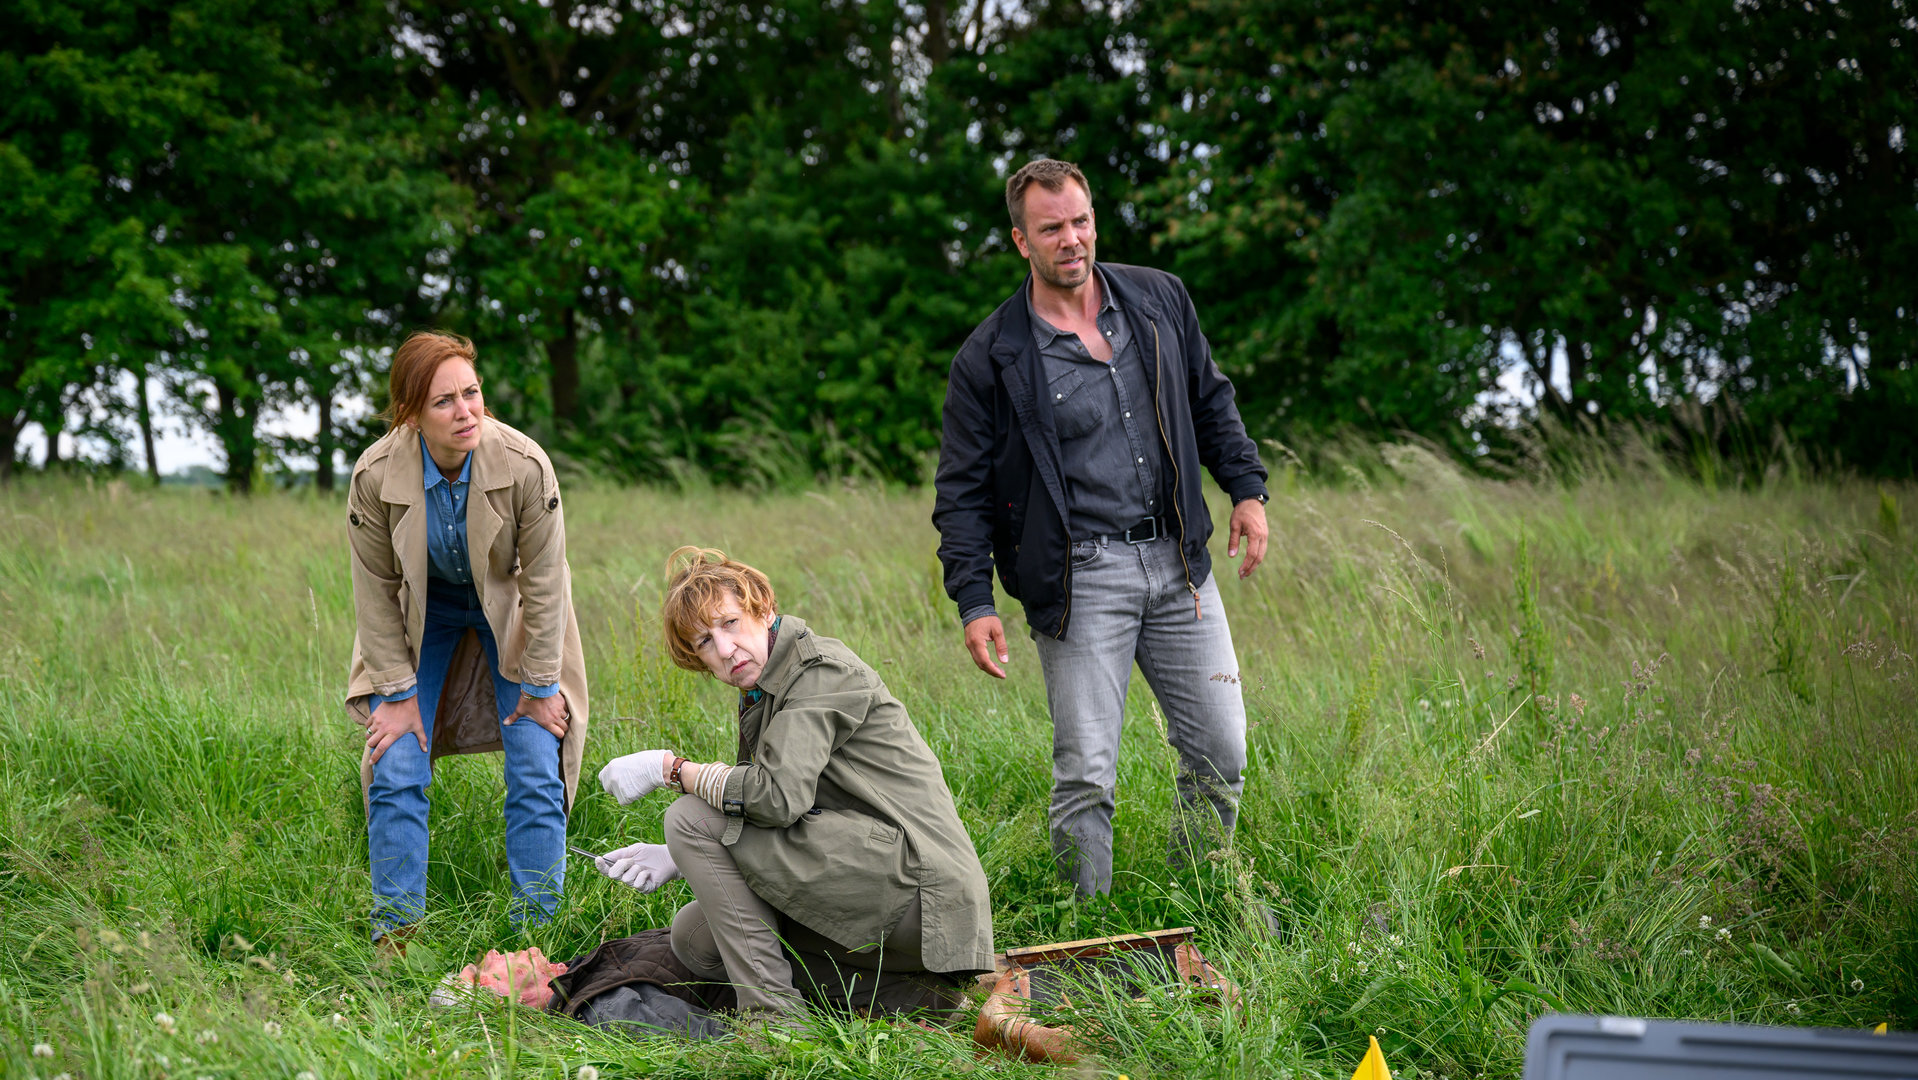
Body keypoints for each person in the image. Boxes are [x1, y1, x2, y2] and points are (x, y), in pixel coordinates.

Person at [931, 158, 1271, 897]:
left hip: (1180, 565)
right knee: (1086, 771)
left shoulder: (1158, 299)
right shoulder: (991, 359)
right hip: (1080, 578)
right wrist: (975, 601)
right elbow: (960, 492)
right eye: (1050, 228)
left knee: (1222, 751)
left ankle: (1202, 905)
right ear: (1021, 240)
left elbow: (1211, 401)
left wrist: (1246, 489)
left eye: (1080, 221)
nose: (1071, 239)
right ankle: (1086, 930)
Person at [594, 547, 993, 1021]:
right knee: (696, 941)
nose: (724, 650)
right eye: (703, 642)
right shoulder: (761, 690)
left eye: (729, 623)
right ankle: (915, 999)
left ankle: (772, 1022)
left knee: (687, 814)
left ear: (763, 609)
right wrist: (681, 858)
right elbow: (757, 814)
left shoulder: (821, 669)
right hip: (868, 878)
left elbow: (775, 798)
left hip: (922, 897)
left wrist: (671, 769)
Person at [343, 330, 591, 944]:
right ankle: (395, 937)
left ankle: (538, 937)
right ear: (410, 415)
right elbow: (374, 591)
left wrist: (539, 686)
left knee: (538, 759)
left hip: (508, 607)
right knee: (395, 760)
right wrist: (396, 695)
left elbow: (546, 583)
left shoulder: (527, 464)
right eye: (444, 402)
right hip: (418, 613)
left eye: (472, 393)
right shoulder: (375, 476)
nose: (466, 412)